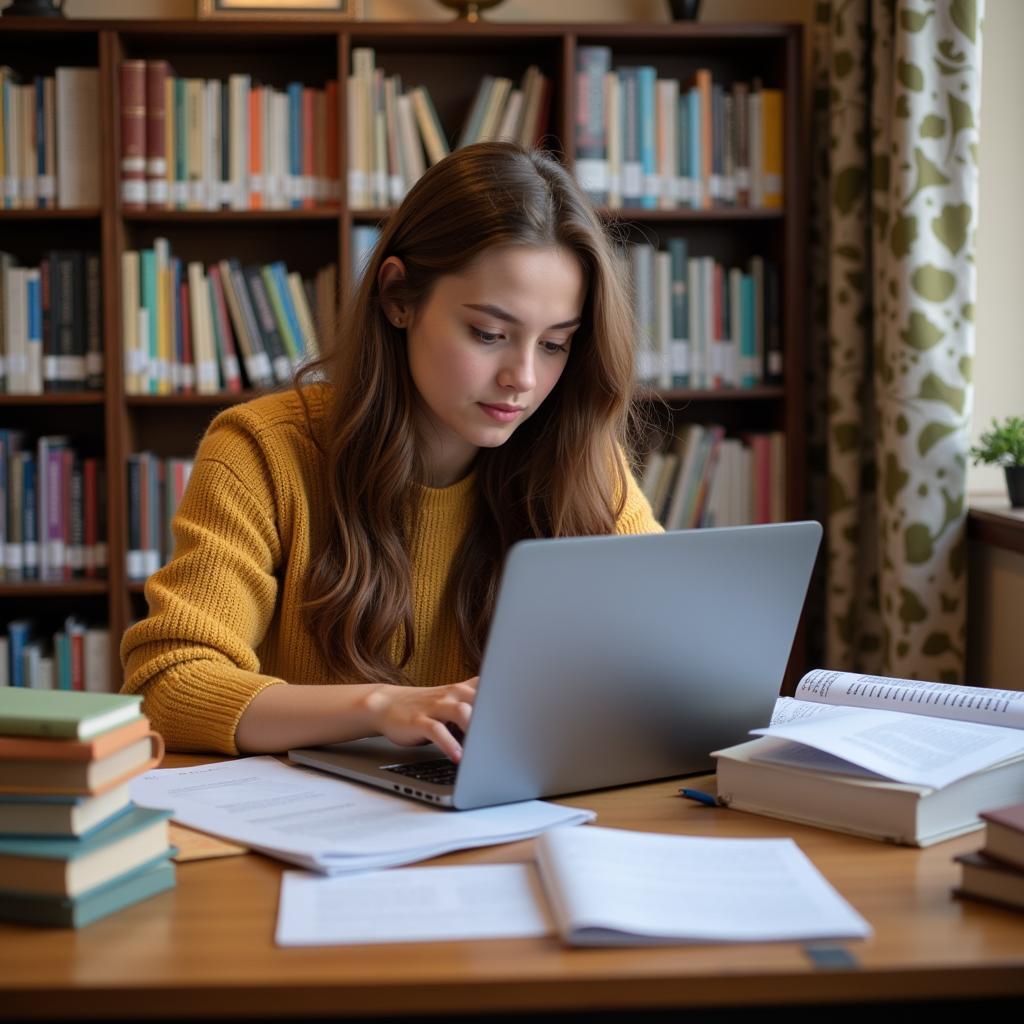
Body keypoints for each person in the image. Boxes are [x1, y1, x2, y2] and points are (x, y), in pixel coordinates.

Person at [120, 142, 661, 760]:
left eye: (555, 344)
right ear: (398, 297)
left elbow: (657, 656)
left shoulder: (581, 463)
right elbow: (169, 685)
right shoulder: (263, 453)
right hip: (314, 829)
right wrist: (380, 708)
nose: (523, 377)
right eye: (489, 334)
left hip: (504, 819)